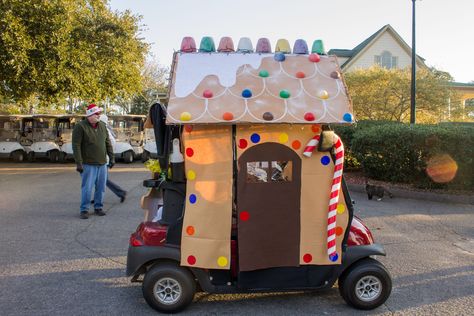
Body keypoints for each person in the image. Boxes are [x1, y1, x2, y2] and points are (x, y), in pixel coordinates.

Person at [72, 104, 114, 219]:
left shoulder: (102, 126)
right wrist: (79, 162)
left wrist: (112, 157)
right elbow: (76, 145)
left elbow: (107, 143)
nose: (98, 115)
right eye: (97, 114)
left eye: (99, 113)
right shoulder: (80, 127)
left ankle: (98, 207)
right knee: (87, 188)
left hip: (102, 163)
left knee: (101, 187)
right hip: (88, 164)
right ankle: (84, 209)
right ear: (90, 115)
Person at [99, 114, 127, 202]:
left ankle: (120, 192)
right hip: (104, 158)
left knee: (102, 180)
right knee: (99, 180)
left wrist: (110, 157)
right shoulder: (106, 130)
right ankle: (97, 197)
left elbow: (110, 145)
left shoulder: (103, 130)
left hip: (103, 159)